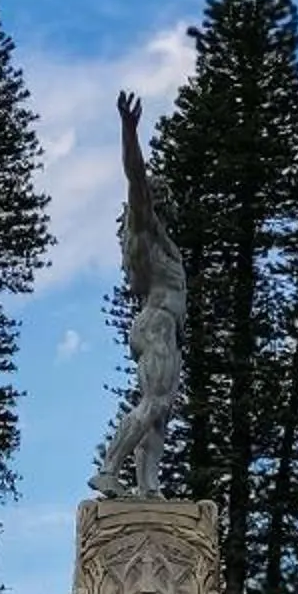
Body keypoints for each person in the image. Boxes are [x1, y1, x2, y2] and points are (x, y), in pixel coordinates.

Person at [91, 90, 188, 499]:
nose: (164, 200)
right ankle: (109, 469)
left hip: (162, 327)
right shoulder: (144, 233)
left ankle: (148, 487)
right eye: (159, 196)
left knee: (160, 411)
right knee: (154, 401)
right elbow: (136, 178)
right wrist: (129, 131)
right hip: (156, 324)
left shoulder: (160, 242)